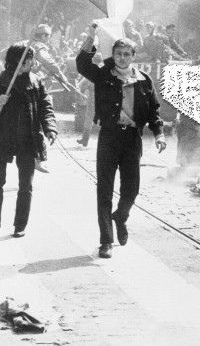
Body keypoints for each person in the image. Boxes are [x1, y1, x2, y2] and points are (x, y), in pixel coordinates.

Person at [76, 25, 167, 258]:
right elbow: (82, 65)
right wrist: (91, 37)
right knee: (104, 189)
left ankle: (120, 216)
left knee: (131, 189)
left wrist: (159, 134)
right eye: (118, 54)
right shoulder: (104, 74)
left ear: (133, 57)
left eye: (127, 54)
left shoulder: (144, 80)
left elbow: (154, 111)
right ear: (113, 55)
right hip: (109, 137)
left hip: (132, 139)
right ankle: (106, 240)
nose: (122, 58)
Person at [0, 43, 57, 237]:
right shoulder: (1, 80)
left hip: (28, 139)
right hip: (3, 139)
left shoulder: (36, 81)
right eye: (27, 60)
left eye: (31, 59)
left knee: (26, 185)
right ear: (16, 61)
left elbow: (45, 107)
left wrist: (50, 128)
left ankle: (20, 225)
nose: (31, 63)